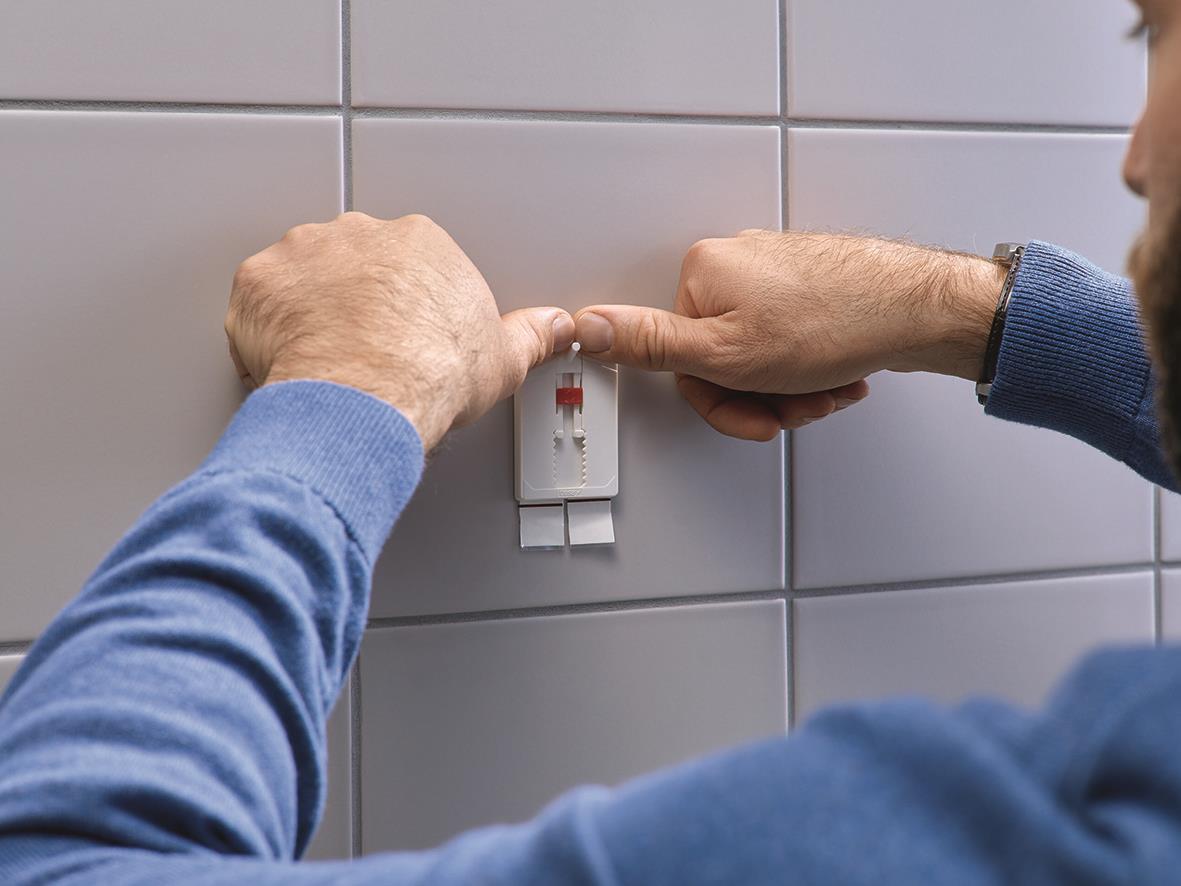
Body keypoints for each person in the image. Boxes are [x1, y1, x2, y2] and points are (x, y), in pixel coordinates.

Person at [0, 2, 1176, 882]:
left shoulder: (1077, 833)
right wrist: (965, 311)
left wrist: (348, 390)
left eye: (1156, 40)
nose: (1130, 155)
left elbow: (70, 855)